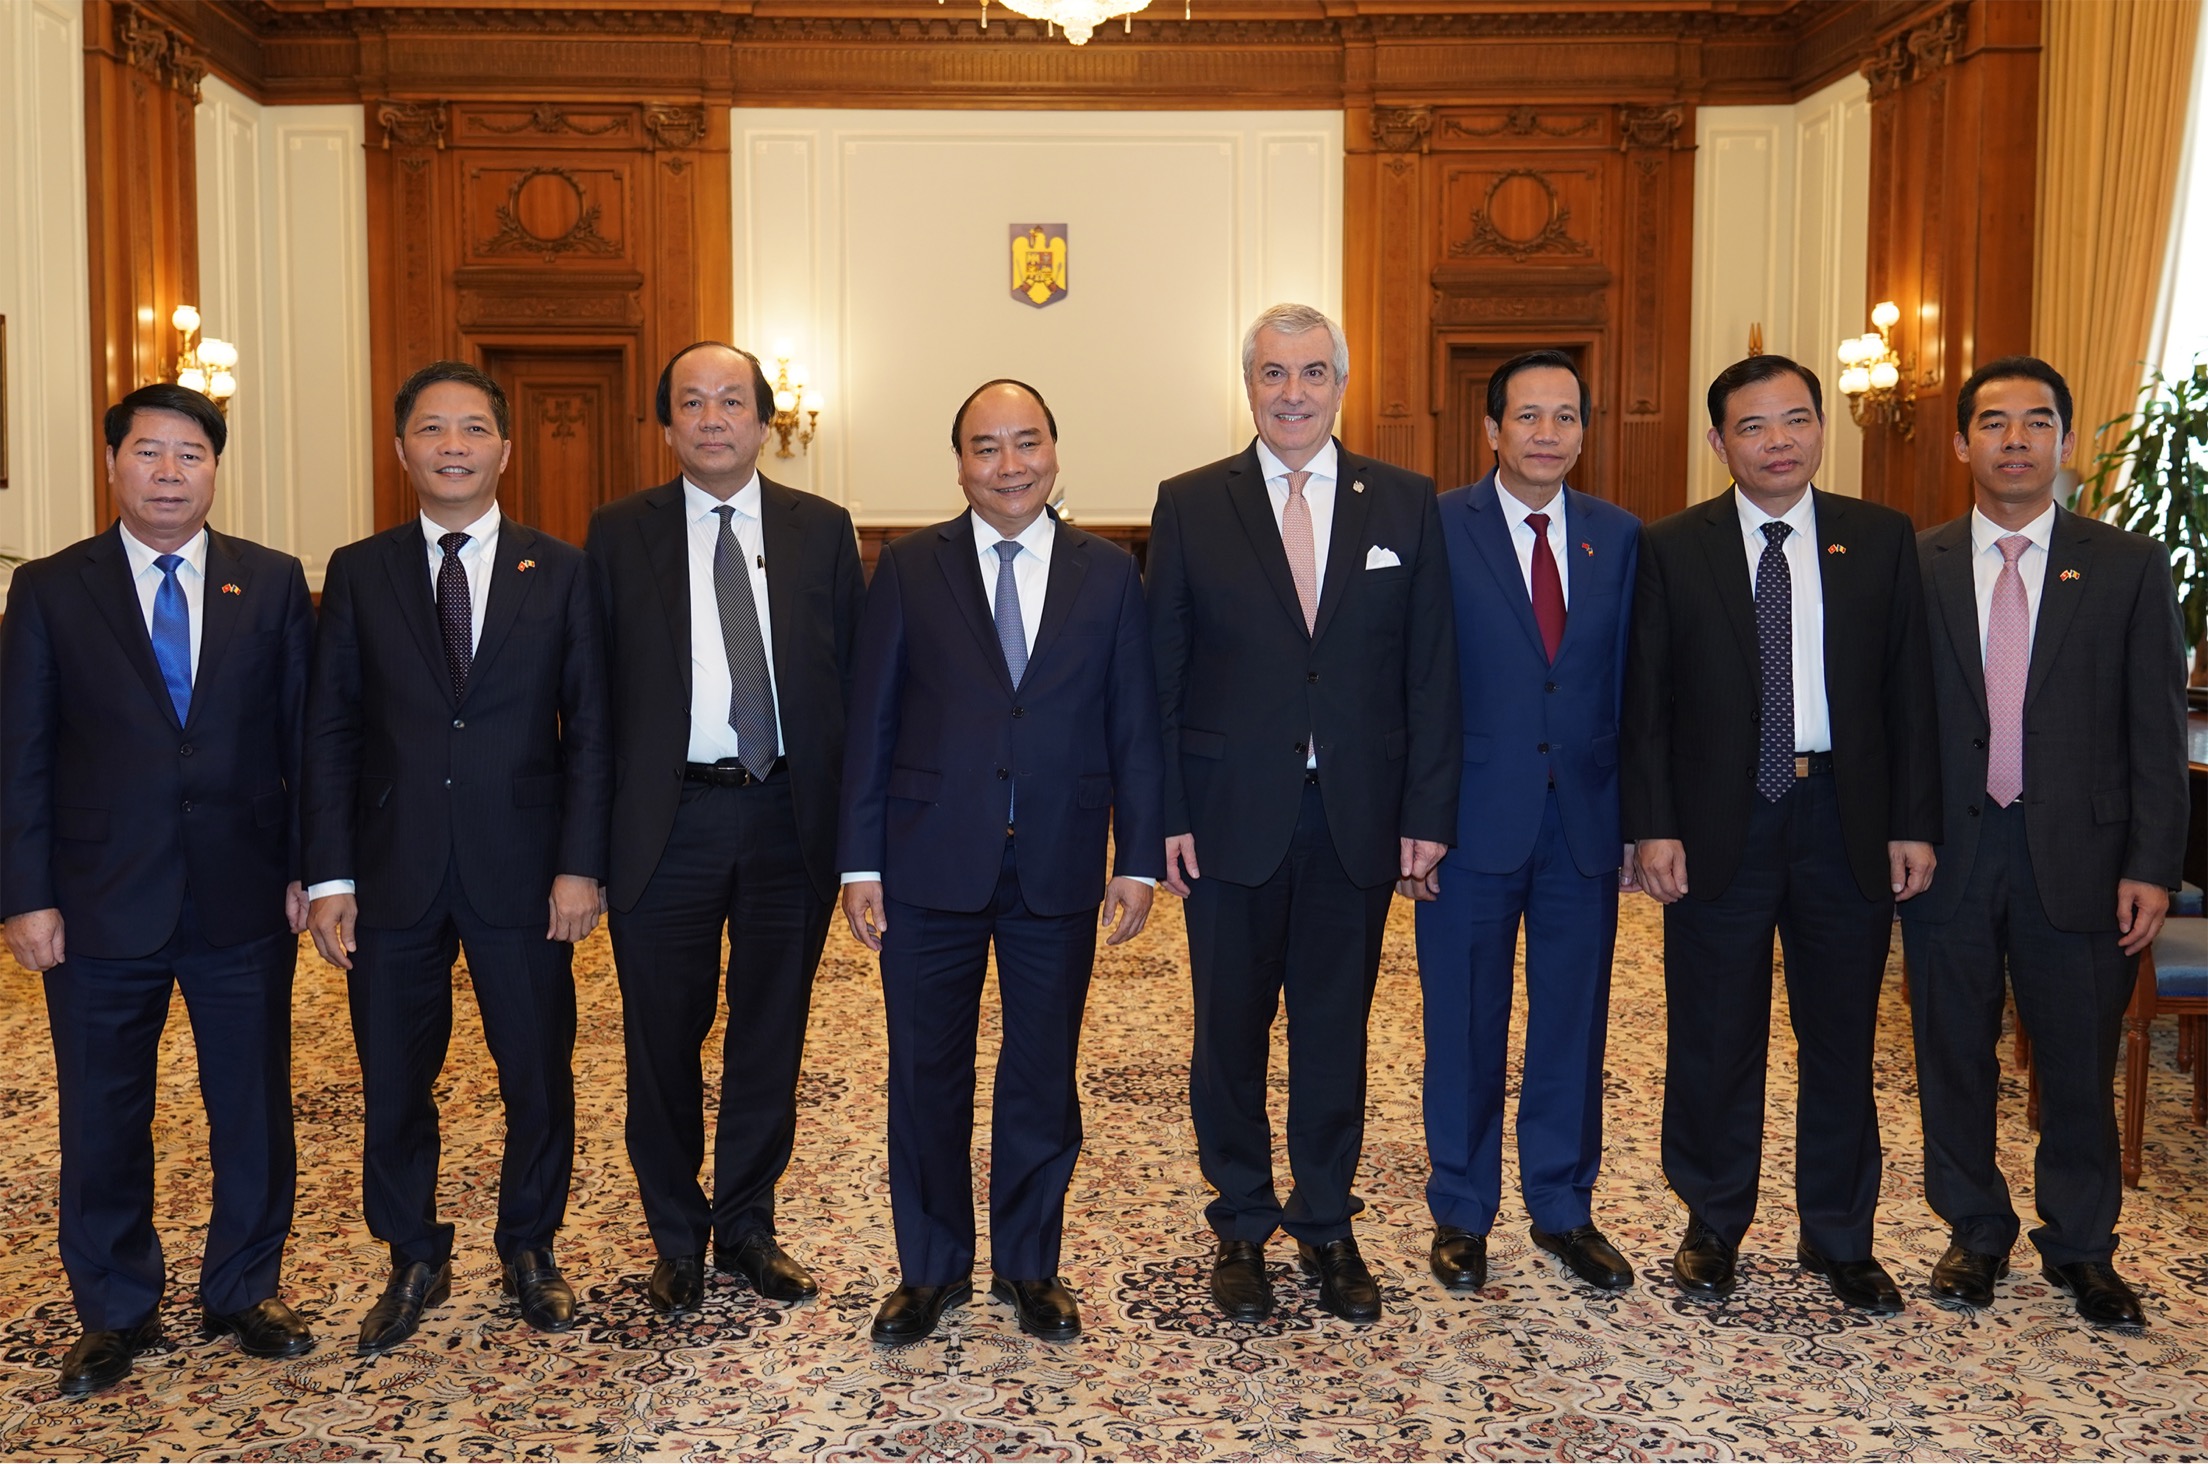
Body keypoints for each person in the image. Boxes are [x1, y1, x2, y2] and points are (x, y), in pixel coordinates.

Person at [0, 383, 316, 1394]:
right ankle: (115, 1307)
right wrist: (25, 895)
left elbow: (305, 740)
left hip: (244, 894)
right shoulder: (51, 589)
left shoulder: (272, 581)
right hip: (96, 899)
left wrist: (310, 867)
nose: (170, 473)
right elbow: (21, 755)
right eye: (149, 452)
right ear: (112, 464)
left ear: (215, 469)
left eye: (191, 454)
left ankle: (243, 1288)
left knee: (252, 1106)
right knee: (102, 1113)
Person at [1148, 303, 1459, 1326]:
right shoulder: (1191, 502)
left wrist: (1427, 811)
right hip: (1227, 818)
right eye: (1274, 374)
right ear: (1249, 386)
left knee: (1334, 1034)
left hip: (1355, 819)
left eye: (1313, 372)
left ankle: (1327, 1224)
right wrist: (1164, 814)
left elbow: (1431, 672)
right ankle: (1241, 1222)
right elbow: (1162, 675)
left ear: (1341, 384)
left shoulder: (1405, 502)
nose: (1293, 393)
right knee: (1227, 1036)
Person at [838, 379, 1164, 1346]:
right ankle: (930, 1269)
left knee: (1041, 1074)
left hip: (1059, 863)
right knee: (923, 1074)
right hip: (927, 862)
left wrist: (1139, 858)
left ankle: (1030, 1265)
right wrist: (859, 863)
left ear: (1055, 452)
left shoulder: (1111, 574)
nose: (1009, 464)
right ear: (960, 465)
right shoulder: (909, 567)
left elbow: (1135, 722)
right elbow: (871, 720)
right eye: (986, 447)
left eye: (1027, 443)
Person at [302, 360, 611, 1353]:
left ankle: (531, 1247)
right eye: (431, 429)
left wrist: (580, 864)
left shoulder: (560, 569)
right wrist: (331, 875)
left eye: (473, 428)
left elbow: (591, 730)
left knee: (537, 1072)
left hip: (524, 867)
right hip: (391, 866)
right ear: (401, 450)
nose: (452, 446)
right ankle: (413, 1255)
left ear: (504, 450)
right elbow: (331, 729)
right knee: (394, 1078)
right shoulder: (360, 569)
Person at [1622, 353, 1939, 1314]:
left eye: (1796, 420)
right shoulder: (1672, 546)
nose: (1778, 442)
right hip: (1719, 822)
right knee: (1715, 1034)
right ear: (1718, 442)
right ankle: (1713, 1221)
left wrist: (1912, 823)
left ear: (1821, 428)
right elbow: (1646, 705)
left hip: (1845, 817)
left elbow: (1911, 694)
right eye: (1753, 426)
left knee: (1841, 1035)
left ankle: (1839, 1234)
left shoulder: (1878, 537)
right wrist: (1652, 827)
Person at [1902, 356, 2189, 1329]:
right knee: (1953, 1057)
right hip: (1947, 854)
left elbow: (2156, 729)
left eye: (2036, 422)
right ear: (1961, 443)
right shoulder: (1918, 563)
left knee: (2077, 1065)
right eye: (1993, 422)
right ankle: (1974, 1231)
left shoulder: (2127, 564)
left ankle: (2082, 1248)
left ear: (2065, 441)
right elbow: (1891, 720)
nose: (2015, 440)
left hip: (2083, 859)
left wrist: (2152, 864)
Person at [585, 343, 865, 1316]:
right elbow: (592, 701)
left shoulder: (820, 529)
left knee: (769, 1033)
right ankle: (676, 1236)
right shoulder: (618, 533)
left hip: (789, 816)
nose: (713, 418)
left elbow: (855, 687)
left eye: (732, 401)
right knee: (662, 1039)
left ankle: (747, 1225)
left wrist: (860, 839)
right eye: (693, 403)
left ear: (764, 420)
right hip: (666, 823)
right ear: (667, 424)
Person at [1402, 351, 1640, 1295]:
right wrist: (1416, 817)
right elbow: (1412, 683)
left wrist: (1639, 821)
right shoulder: (1435, 526)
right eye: (1529, 416)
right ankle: (1462, 1211)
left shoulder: (1620, 536)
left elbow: (1635, 687)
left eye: (1566, 416)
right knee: (1463, 1020)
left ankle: (1564, 1206)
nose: (1548, 433)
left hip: (1584, 821)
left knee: (1573, 1022)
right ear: (1492, 430)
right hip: (1466, 823)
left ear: (1585, 430)